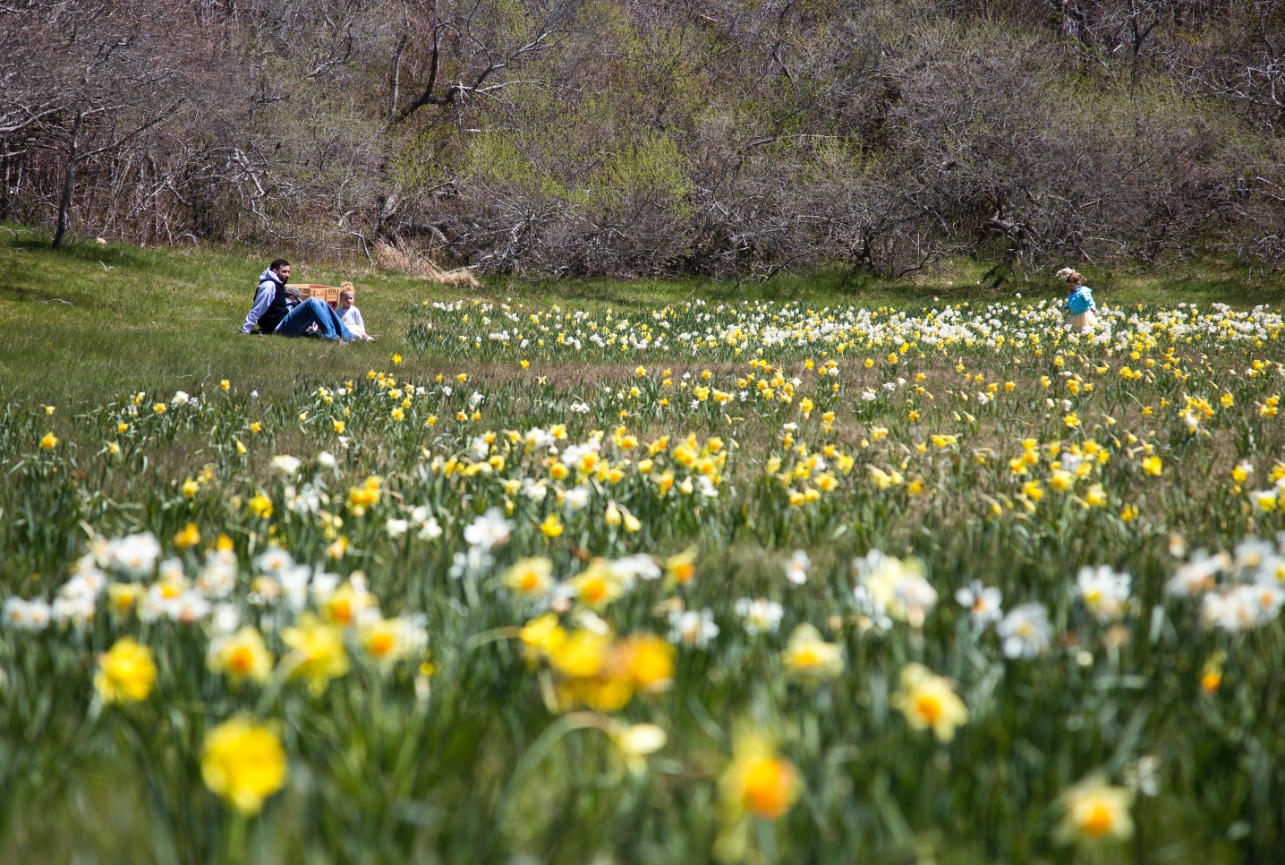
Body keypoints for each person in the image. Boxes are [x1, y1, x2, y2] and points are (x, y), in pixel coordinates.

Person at [241, 259, 355, 342]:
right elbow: (257, 309)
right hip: (279, 328)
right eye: (284, 272)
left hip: (285, 321)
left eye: (288, 272)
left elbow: (279, 306)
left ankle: (347, 335)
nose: (287, 275)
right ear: (274, 271)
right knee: (311, 301)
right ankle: (332, 337)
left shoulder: (277, 284)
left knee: (320, 301)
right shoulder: (268, 286)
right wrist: (246, 329)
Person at [1057, 267, 1099, 333]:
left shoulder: (1083, 292)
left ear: (1078, 283)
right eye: (1069, 286)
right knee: (1074, 329)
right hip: (1075, 315)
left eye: (1072, 286)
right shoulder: (1073, 292)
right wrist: (1067, 307)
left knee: (1084, 329)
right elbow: (1071, 302)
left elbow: (1089, 300)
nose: (1070, 288)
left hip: (1083, 315)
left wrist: (1092, 307)